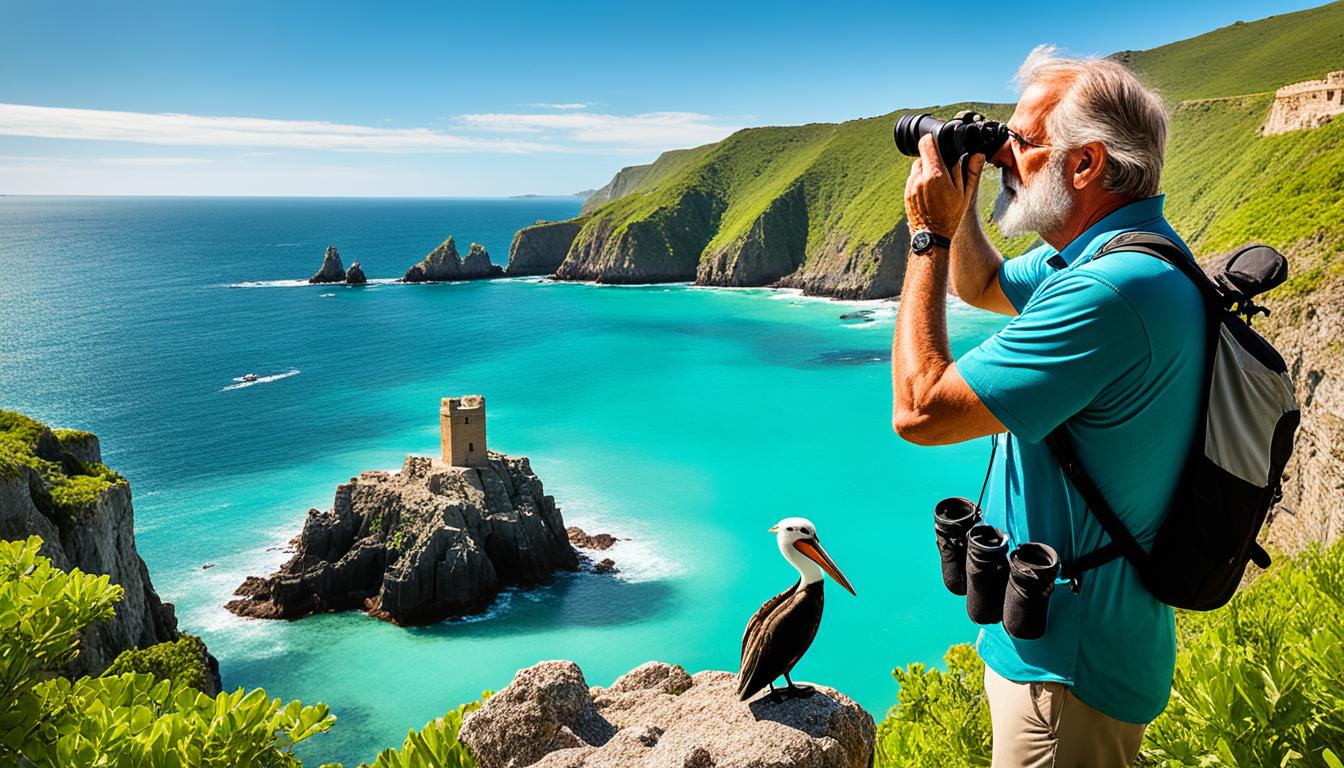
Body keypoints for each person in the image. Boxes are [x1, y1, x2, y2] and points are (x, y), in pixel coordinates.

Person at [891, 46, 1204, 767]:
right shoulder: (1114, 254)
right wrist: (965, 199)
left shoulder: (1108, 293)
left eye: (1023, 144)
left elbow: (919, 409)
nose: (1006, 155)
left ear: (1087, 163)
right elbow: (985, 284)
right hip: (1066, 634)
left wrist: (927, 235)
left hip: (1069, 668)